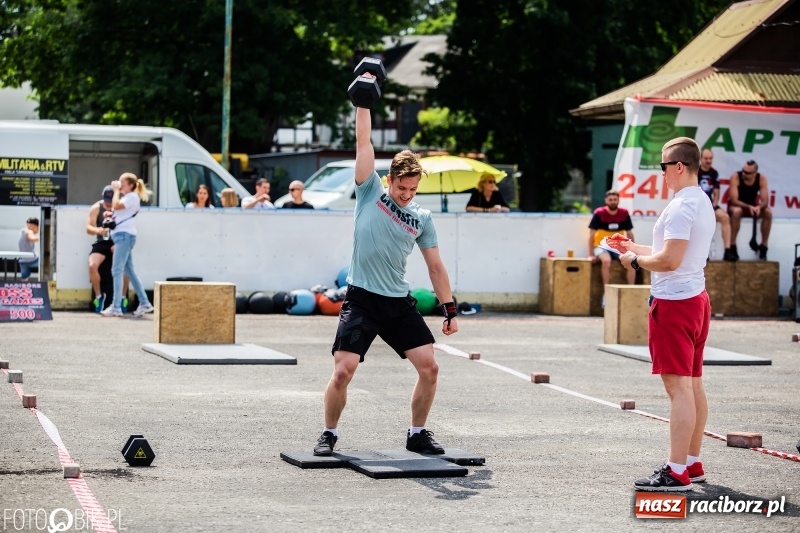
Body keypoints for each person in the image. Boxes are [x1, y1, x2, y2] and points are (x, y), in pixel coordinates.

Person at [313, 104, 459, 457]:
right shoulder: (370, 192)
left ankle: (417, 433)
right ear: (389, 179)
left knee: (430, 368)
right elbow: (363, 141)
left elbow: (435, 267)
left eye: (413, 189)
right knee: (343, 371)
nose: (407, 194)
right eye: (402, 187)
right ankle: (329, 433)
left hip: (397, 303)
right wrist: (363, 101)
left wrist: (449, 309)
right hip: (362, 299)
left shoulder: (422, 218)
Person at [615, 137, 715, 492]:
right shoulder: (700, 200)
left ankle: (676, 471)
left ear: (679, 166)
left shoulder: (680, 207)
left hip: (675, 304)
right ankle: (691, 462)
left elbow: (669, 261)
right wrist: (634, 248)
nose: (661, 173)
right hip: (695, 299)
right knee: (693, 385)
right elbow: (674, 252)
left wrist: (635, 261)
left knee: (678, 389)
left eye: (663, 166)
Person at [100, 173, 155, 317]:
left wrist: (115, 191)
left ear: (130, 185)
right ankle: (145, 302)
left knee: (116, 270)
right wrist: (110, 215)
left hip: (124, 236)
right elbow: (119, 210)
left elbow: (116, 205)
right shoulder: (127, 197)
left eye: (122, 182)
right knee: (130, 272)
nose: (119, 184)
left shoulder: (132, 197)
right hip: (123, 236)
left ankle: (116, 306)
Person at [588, 190, 635, 306]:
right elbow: (591, 235)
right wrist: (591, 254)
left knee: (631, 261)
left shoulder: (624, 213)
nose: (613, 202)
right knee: (606, 261)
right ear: (606, 200)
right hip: (600, 245)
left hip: (618, 245)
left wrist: (633, 250)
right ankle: (606, 294)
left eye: (615, 199)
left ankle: (632, 292)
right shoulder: (599, 213)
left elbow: (630, 233)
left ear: (618, 200)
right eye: (610, 200)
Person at [87, 186, 130, 313]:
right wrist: (98, 230)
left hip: (118, 240)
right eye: (107, 201)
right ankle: (98, 297)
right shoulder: (96, 208)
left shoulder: (121, 207)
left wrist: (118, 243)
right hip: (102, 241)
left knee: (126, 267)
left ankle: (123, 297)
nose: (109, 204)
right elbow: (88, 227)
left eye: (111, 202)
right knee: (92, 266)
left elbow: (128, 228)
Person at [727, 160, 772, 260]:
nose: (744, 173)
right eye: (743, 170)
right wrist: (749, 206)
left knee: (768, 212)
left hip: (752, 207)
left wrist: (759, 207)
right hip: (738, 205)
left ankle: (764, 246)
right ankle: (732, 245)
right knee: (737, 211)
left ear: (754, 173)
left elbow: (765, 200)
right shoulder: (736, 177)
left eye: (747, 172)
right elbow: (734, 200)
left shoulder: (761, 179)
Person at [698, 149, 734, 261]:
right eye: (706, 158)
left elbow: (716, 193)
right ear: (700, 159)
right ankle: (702, 253)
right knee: (700, 222)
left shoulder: (714, 173)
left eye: (710, 158)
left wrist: (713, 206)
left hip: (710, 204)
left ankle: (727, 251)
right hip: (697, 206)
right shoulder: (695, 172)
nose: (708, 161)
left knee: (725, 217)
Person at [17, 217, 39, 282]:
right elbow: (31, 238)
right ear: (34, 226)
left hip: (23, 260)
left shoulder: (22, 230)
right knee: (46, 266)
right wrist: (43, 237)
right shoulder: (29, 231)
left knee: (24, 279)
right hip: (33, 260)